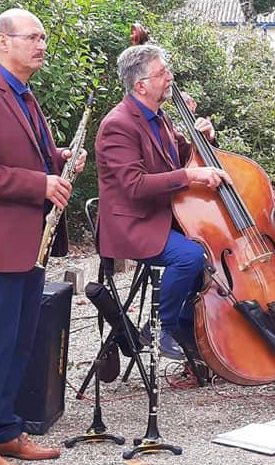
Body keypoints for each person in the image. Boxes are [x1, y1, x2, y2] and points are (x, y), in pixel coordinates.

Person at [0, 8, 87, 465]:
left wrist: (60, 160)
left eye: (43, 37)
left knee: (19, 341)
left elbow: (23, 156)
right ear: (3, 42)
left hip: (28, 245)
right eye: (32, 37)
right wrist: (39, 184)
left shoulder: (24, 96)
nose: (41, 45)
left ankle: (5, 429)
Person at [94, 42, 229, 360]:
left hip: (162, 216)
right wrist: (192, 178)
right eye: (162, 72)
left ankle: (185, 326)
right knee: (190, 256)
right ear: (141, 85)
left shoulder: (160, 118)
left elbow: (183, 156)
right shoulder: (118, 125)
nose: (170, 77)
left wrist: (204, 138)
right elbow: (133, 186)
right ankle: (160, 327)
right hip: (133, 223)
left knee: (211, 248)